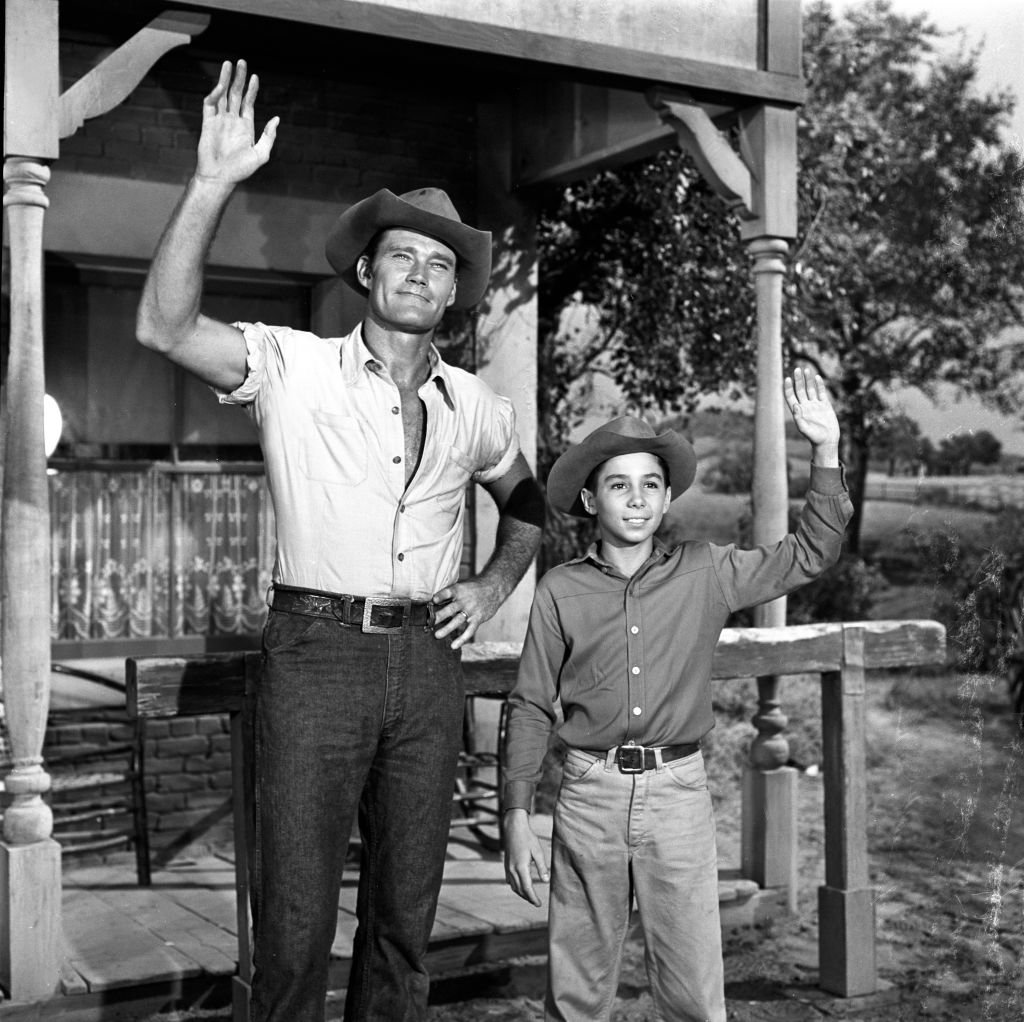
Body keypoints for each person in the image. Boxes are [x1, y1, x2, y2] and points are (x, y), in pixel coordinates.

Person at [136, 60, 543, 1022]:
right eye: (403, 255)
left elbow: (529, 505)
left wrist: (488, 589)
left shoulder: (475, 406)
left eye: (441, 264)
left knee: (405, 926)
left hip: (429, 661)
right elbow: (161, 326)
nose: (420, 273)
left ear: (453, 295)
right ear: (367, 271)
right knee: (294, 924)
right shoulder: (293, 366)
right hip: (315, 654)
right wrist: (211, 183)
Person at [502, 369, 853, 1022]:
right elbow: (527, 705)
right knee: (576, 993)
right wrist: (515, 815)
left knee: (693, 991)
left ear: (666, 500)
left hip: (678, 797)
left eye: (650, 485)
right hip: (588, 796)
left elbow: (811, 554)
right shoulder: (559, 591)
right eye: (618, 485)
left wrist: (825, 451)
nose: (635, 500)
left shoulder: (708, 572)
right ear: (589, 502)